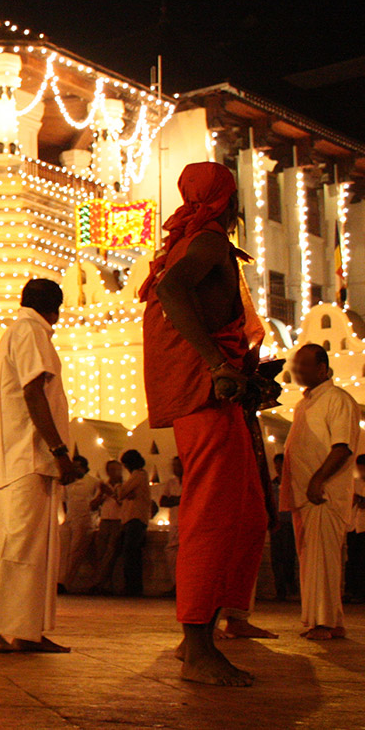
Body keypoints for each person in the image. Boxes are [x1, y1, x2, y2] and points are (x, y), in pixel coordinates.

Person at [139, 161, 268, 686]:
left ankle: (212, 625)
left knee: (248, 512)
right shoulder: (208, 241)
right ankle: (197, 646)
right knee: (212, 515)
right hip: (207, 394)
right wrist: (217, 364)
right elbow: (172, 292)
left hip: (215, 395)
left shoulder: (190, 241)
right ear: (226, 200)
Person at [0, 278, 78, 653]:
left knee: (32, 550)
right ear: (56, 310)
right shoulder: (31, 331)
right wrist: (59, 450)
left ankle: (25, 630)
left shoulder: (19, 331)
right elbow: (33, 392)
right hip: (28, 457)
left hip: (27, 459)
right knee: (17, 548)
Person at [281, 343, 359, 639]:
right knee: (313, 560)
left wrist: (317, 480)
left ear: (322, 369)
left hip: (323, 494)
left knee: (322, 560)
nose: (297, 370)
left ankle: (324, 623)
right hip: (305, 495)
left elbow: (342, 447)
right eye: (296, 365)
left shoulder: (337, 399)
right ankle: (330, 621)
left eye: (304, 365)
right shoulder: (305, 404)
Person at [115, 449, 154, 597]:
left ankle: (132, 587)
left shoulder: (139, 475)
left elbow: (121, 493)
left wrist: (119, 486)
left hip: (135, 519)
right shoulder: (140, 476)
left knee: (130, 554)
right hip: (134, 519)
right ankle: (133, 586)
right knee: (133, 554)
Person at [59, 455, 99, 592]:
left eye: (77, 467)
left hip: (84, 521)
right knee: (64, 551)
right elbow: (64, 501)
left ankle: (65, 582)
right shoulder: (68, 483)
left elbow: (96, 503)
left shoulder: (93, 482)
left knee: (75, 552)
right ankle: (59, 580)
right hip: (70, 519)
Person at [90, 460, 124, 593]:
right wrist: (101, 495)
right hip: (104, 520)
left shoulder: (124, 485)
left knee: (111, 552)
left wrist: (111, 493)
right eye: (111, 470)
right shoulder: (103, 486)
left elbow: (123, 503)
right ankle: (104, 583)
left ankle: (99, 582)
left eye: (116, 470)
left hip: (118, 520)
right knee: (100, 552)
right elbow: (93, 506)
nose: (114, 473)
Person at [269, 453, 298, 601]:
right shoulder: (272, 484)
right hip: (277, 523)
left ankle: (290, 587)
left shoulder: (291, 483)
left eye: (280, 464)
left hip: (288, 522)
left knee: (288, 556)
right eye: (276, 464)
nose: (278, 467)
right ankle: (280, 590)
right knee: (276, 558)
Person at [160, 456, 183, 595]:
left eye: (178, 465)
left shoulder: (191, 481)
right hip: (174, 522)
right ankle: (176, 584)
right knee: (172, 553)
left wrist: (175, 499)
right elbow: (163, 501)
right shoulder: (171, 483)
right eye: (174, 465)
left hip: (186, 522)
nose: (175, 468)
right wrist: (179, 500)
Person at [345, 454, 365, 603]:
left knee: (362, 560)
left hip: (363, 526)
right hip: (354, 526)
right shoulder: (354, 482)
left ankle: (361, 592)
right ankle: (351, 590)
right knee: (352, 559)